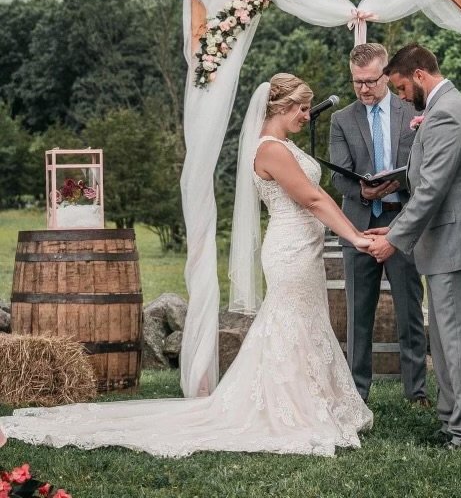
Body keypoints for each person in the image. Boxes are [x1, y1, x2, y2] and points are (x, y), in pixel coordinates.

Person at [0, 74, 373, 458]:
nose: (307, 116)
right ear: (281, 107)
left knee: (305, 321)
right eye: (302, 108)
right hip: (291, 249)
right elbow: (312, 199)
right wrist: (356, 237)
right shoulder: (271, 150)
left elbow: (317, 199)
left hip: (305, 247)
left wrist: (354, 231)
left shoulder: (284, 145)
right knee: (290, 322)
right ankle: (290, 408)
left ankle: (314, 401)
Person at [366, 44, 461, 450]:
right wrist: (398, 180)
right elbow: (426, 178)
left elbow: (432, 191)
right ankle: (453, 421)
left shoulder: (445, 114)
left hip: (456, 239)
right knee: (443, 338)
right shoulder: (443, 109)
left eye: (403, 88)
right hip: (448, 239)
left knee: (455, 340)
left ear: (421, 76)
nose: (402, 97)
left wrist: (392, 238)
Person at [329, 43, 428, 406]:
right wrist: (363, 191)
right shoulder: (341, 120)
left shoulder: (412, 112)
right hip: (357, 226)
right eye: (357, 82)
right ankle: (357, 394)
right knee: (358, 315)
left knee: (409, 311)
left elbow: (423, 168)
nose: (364, 88)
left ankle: (416, 391)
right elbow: (338, 176)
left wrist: (396, 183)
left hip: (402, 222)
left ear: (386, 74)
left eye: (371, 81)